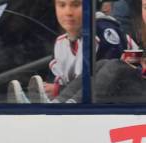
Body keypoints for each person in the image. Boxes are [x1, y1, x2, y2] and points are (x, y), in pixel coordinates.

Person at [8, 0, 138, 103]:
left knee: (108, 67)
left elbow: (109, 86)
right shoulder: (60, 43)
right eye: (62, 5)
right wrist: (49, 90)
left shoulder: (104, 30)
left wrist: (57, 90)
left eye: (76, 5)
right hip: (81, 104)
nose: (68, 12)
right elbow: (58, 82)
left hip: (132, 97)